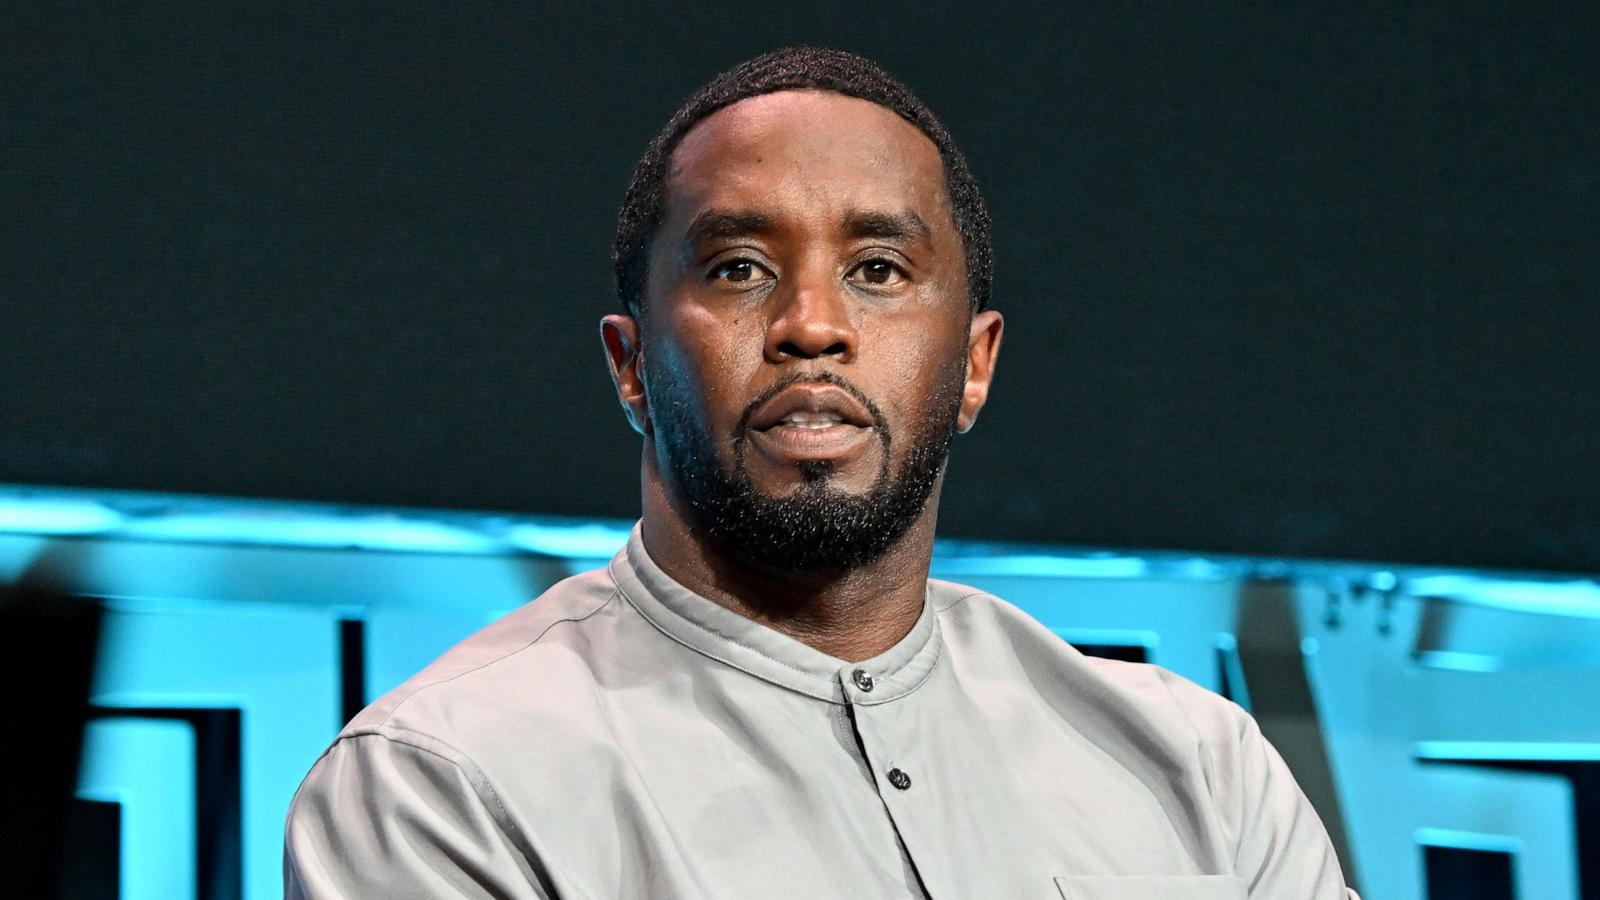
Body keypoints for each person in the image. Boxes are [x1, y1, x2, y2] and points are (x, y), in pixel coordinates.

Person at [284, 47, 1357, 899]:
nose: (812, 325)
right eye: (740, 268)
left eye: (879, 270)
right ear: (628, 364)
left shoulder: (1195, 763)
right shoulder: (445, 781)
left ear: (974, 364)